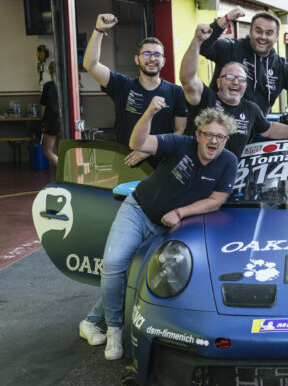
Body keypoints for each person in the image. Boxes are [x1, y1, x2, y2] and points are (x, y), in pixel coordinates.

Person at [77, 103, 238, 360]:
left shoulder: (228, 161)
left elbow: (216, 200)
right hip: (138, 211)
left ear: (226, 140)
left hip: (169, 224)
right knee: (115, 264)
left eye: (220, 136)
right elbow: (137, 142)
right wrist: (150, 112)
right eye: (209, 134)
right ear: (198, 135)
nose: (214, 140)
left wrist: (180, 212)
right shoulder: (179, 143)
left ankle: (91, 321)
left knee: (138, 274)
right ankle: (115, 330)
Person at [180, 23, 288, 157]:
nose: (235, 82)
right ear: (218, 81)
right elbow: (187, 78)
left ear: (245, 85)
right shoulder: (206, 98)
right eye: (229, 77)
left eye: (241, 79)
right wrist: (197, 40)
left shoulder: (251, 110)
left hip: (225, 176)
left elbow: (270, 129)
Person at [83, 13, 188, 168]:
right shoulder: (122, 85)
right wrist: (99, 30)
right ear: (137, 59)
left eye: (157, 54)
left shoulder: (176, 92)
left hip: (164, 166)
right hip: (127, 165)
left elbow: (181, 131)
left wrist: (149, 150)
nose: (152, 58)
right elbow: (90, 65)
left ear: (163, 61)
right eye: (146, 54)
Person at [200, 9, 288, 114]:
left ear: (277, 37)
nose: (263, 37)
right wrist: (226, 19)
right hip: (216, 133)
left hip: (253, 136)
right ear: (250, 31)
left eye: (269, 33)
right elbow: (202, 46)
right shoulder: (231, 48)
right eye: (258, 31)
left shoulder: (280, 67)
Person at [40, 61, 60, 166]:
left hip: (51, 120)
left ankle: (63, 170)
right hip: (64, 119)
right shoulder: (66, 85)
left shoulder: (48, 85)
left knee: (47, 151)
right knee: (64, 152)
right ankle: (67, 173)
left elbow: (43, 101)